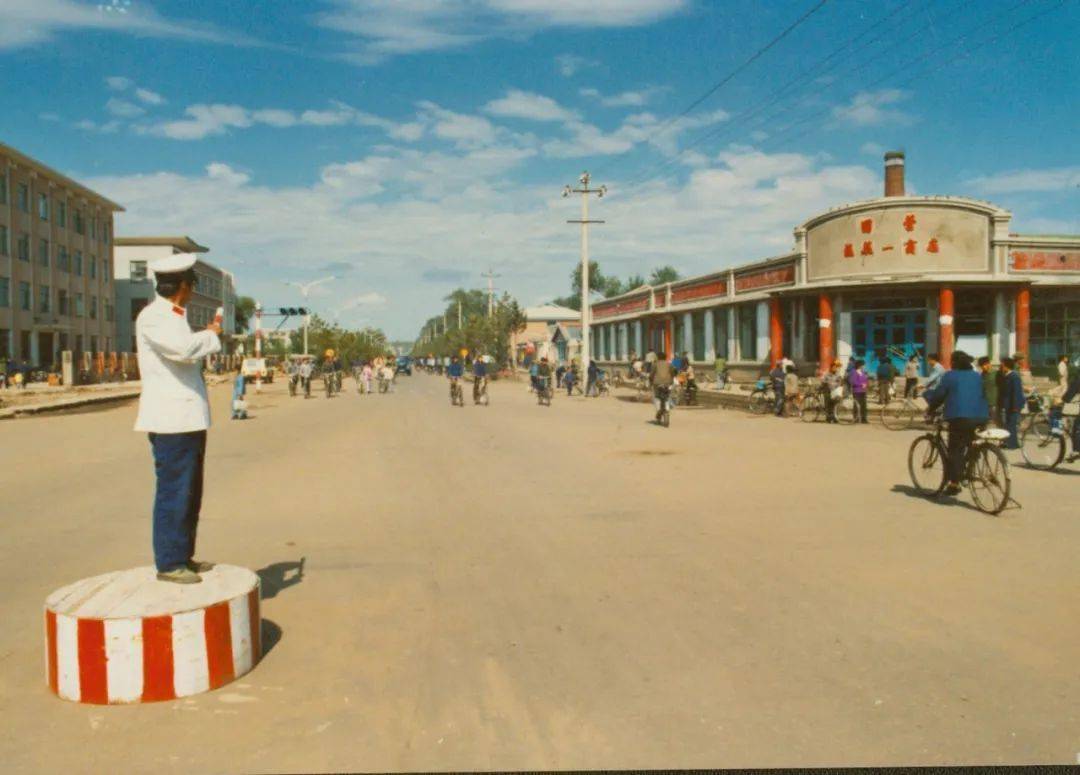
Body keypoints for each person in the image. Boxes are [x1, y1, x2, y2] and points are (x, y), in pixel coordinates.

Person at [134, 252, 221, 585]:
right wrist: (212, 332)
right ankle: (170, 562)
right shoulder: (155, 316)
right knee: (175, 490)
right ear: (184, 285)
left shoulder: (173, 315)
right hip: (171, 419)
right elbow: (183, 350)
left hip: (186, 417)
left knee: (189, 491)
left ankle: (183, 555)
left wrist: (204, 336)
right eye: (192, 285)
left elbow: (184, 347)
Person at [924, 351, 990, 494]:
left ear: (953, 363)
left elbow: (939, 396)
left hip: (960, 418)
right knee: (969, 442)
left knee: (955, 449)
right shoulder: (976, 376)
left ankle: (954, 483)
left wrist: (930, 409)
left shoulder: (950, 376)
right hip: (982, 416)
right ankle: (971, 461)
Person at [999, 357, 1024, 449]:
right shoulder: (1008, 376)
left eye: (1002, 366)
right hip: (1009, 404)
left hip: (1013, 404)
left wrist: (1015, 406)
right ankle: (1010, 442)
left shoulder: (1014, 376)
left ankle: (1012, 444)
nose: (1001, 367)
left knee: (1011, 424)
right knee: (1009, 424)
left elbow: (1016, 392)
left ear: (1006, 366)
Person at [649, 350, 675, 422]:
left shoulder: (655, 364)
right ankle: (666, 408)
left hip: (657, 383)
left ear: (658, 357)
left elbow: (651, 374)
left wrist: (650, 381)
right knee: (667, 396)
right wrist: (671, 380)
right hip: (668, 383)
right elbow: (673, 373)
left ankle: (658, 411)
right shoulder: (669, 364)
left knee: (657, 397)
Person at [977, 356, 997, 425]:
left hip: (994, 404)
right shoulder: (982, 375)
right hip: (984, 404)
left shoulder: (996, 374)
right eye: (981, 366)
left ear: (988, 364)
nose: (982, 367)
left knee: (994, 424)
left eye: (983, 365)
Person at [849, 359, 869, 423]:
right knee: (856, 405)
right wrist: (861, 384)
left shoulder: (862, 372)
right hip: (857, 391)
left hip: (863, 391)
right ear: (860, 365)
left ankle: (864, 418)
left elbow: (865, 380)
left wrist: (866, 384)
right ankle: (856, 418)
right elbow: (852, 381)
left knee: (864, 405)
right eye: (863, 365)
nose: (864, 366)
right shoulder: (853, 372)